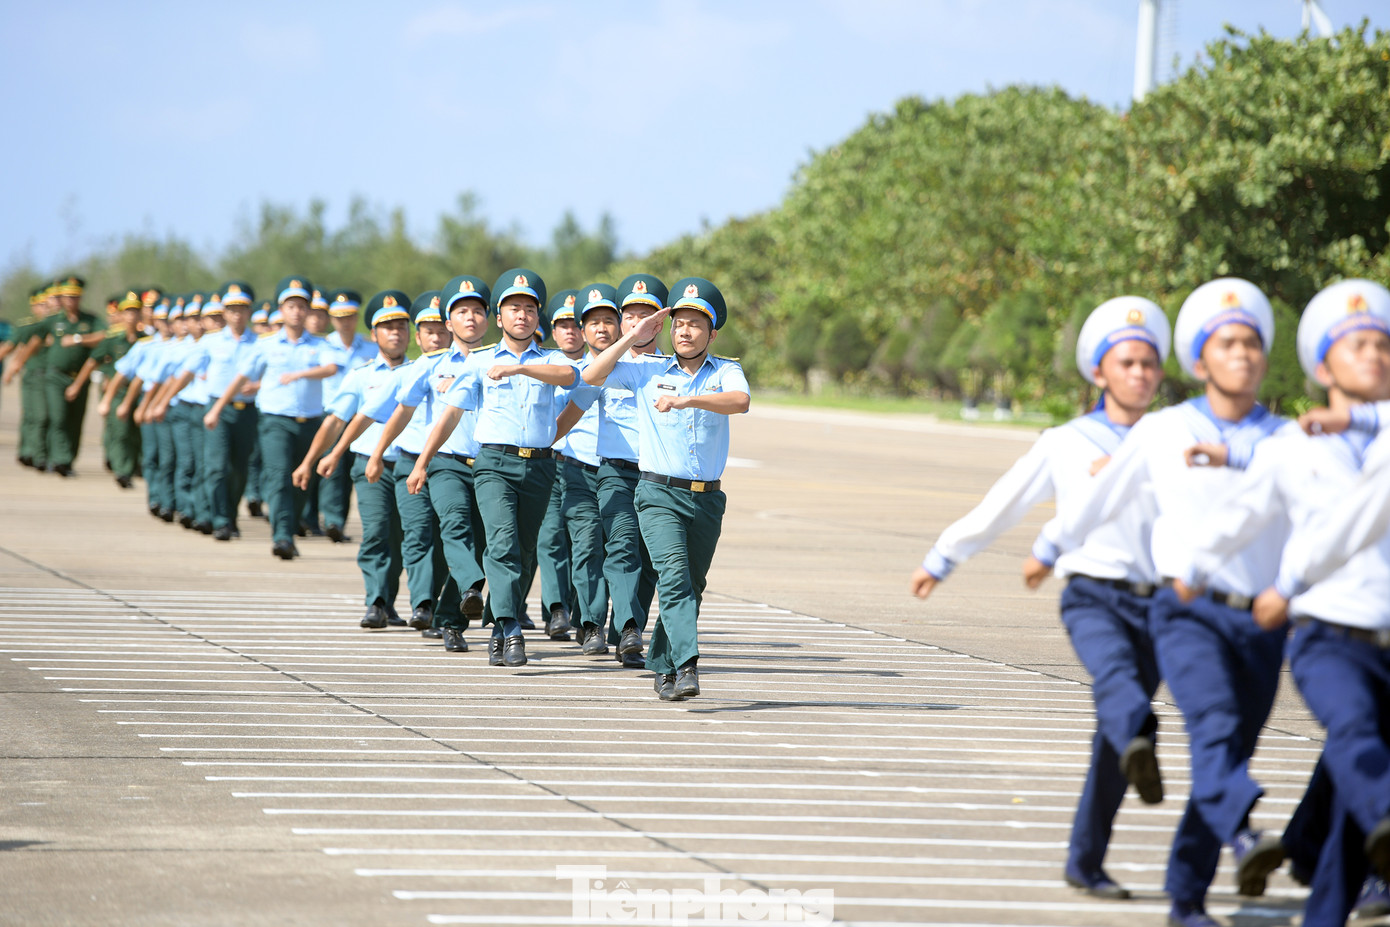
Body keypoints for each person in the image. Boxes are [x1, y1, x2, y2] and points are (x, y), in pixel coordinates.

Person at [1048, 278, 1294, 927]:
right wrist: (1046, 549)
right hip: (1174, 608)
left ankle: (1184, 892)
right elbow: (1089, 505)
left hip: (1259, 620)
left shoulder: (1288, 438)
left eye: (1252, 344)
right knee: (1202, 731)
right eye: (1227, 343)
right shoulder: (1161, 430)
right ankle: (1240, 835)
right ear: (1200, 360)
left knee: (1223, 753)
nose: (1242, 355)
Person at [909, 296, 1172, 900]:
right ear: (1099, 372)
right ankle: (1142, 734)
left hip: (1162, 603)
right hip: (1094, 595)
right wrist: (943, 558)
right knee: (1123, 695)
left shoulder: (1177, 437)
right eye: (1126, 362)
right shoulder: (1068, 440)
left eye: (1149, 364)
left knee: (1115, 740)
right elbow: (1004, 503)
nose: (1139, 374)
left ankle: (1086, 860)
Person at [1185, 281, 1390, 926]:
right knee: (1355, 734)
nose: (1377, 356)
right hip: (1331, 638)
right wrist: (1189, 569)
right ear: (1323, 367)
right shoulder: (1294, 448)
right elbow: (1245, 509)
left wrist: (1358, 419)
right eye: (1359, 345)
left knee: (1349, 843)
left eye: (1386, 346)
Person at [581, 278, 750, 700]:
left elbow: (740, 401)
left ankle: (663, 665)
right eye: (678, 324)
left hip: (707, 497)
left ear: (712, 334)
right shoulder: (646, 370)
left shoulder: (726, 370)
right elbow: (590, 374)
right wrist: (630, 338)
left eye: (695, 324)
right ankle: (689, 665)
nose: (685, 331)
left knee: (692, 585)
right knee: (673, 579)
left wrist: (689, 400)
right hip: (657, 495)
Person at [408, 268, 578, 667]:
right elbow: (450, 417)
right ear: (499, 318)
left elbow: (570, 376)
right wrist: (422, 462)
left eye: (530, 309)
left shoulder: (551, 359)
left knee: (522, 552)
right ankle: (511, 626)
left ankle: (500, 630)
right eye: (513, 309)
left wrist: (520, 368)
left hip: (539, 467)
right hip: (494, 465)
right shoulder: (478, 362)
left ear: (539, 319)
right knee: (500, 545)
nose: (522, 316)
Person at [366, 275, 494, 653]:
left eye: (477, 311)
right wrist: (379, 453)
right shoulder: (431, 365)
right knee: (454, 529)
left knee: (486, 542)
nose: (470, 319)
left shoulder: (499, 362)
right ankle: (469, 585)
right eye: (461, 312)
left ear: (489, 318)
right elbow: (402, 412)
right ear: (448, 322)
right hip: (445, 463)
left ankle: (451, 620)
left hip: (489, 467)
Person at [296, 291, 416, 628]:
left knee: (401, 537)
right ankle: (376, 601)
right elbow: (335, 420)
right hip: (370, 467)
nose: (395, 333)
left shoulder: (421, 372)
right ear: (374, 335)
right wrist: (311, 460)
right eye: (387, 327)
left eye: (401, 326)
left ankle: (389, 600)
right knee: (377, 531)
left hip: (410, 467)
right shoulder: (360, 375)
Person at [569, 273, 668, 664]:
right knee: (622, 545)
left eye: (647, 316)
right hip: (615, 472)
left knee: (648, 560)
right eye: (630, 316)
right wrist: (627, 341)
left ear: (661, 322)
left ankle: (629, 629)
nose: (638, 323)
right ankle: (626, 628)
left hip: (658, 476)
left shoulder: (673, 366)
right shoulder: (611, 362)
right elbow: (588, 378)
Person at [207, 276, 339, 560]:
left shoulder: (320, 344)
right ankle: (281, 536)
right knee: (278, 477)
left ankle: (289, 529)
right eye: (291, 306)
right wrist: (217, 407)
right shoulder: (265, 345)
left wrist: (301, 374)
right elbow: (241, 376)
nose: (297, 312)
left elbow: (330, 368)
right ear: (281, 310)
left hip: (311, 422)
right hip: (275, 422)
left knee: (303, 481)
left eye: (302, 306)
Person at [318, 288, 378, 542]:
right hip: (335, 416)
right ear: (332, 319)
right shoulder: (322, 345)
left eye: (350, 316)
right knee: (335, 469)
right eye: (339, 317)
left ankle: (345, 521)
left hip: (364, 418)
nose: (345, 321)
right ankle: (332, 520)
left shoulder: (370, 347)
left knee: (360, 470)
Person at [36, 275, 99, 476]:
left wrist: (79, 339)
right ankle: (58, 459)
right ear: (61, 298)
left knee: (75, 420)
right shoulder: (53, 321)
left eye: (76, 296)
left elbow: (104, 335)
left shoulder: (90, 320)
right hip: (56, 376)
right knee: (58, 417)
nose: (72, 300)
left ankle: (68, 459)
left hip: (80, 377)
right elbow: (33, 337)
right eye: (68, 296)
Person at [88, 290, 145, 488]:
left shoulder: (145, 339)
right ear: (120, 315)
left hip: (140, 392)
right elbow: (94, 361)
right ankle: (123, 471)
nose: (131, 316)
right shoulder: (112, 339)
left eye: (135, 312)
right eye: (127, 312)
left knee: (135, 433)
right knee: (119, 431)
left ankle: (133, 464)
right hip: (117, 391)